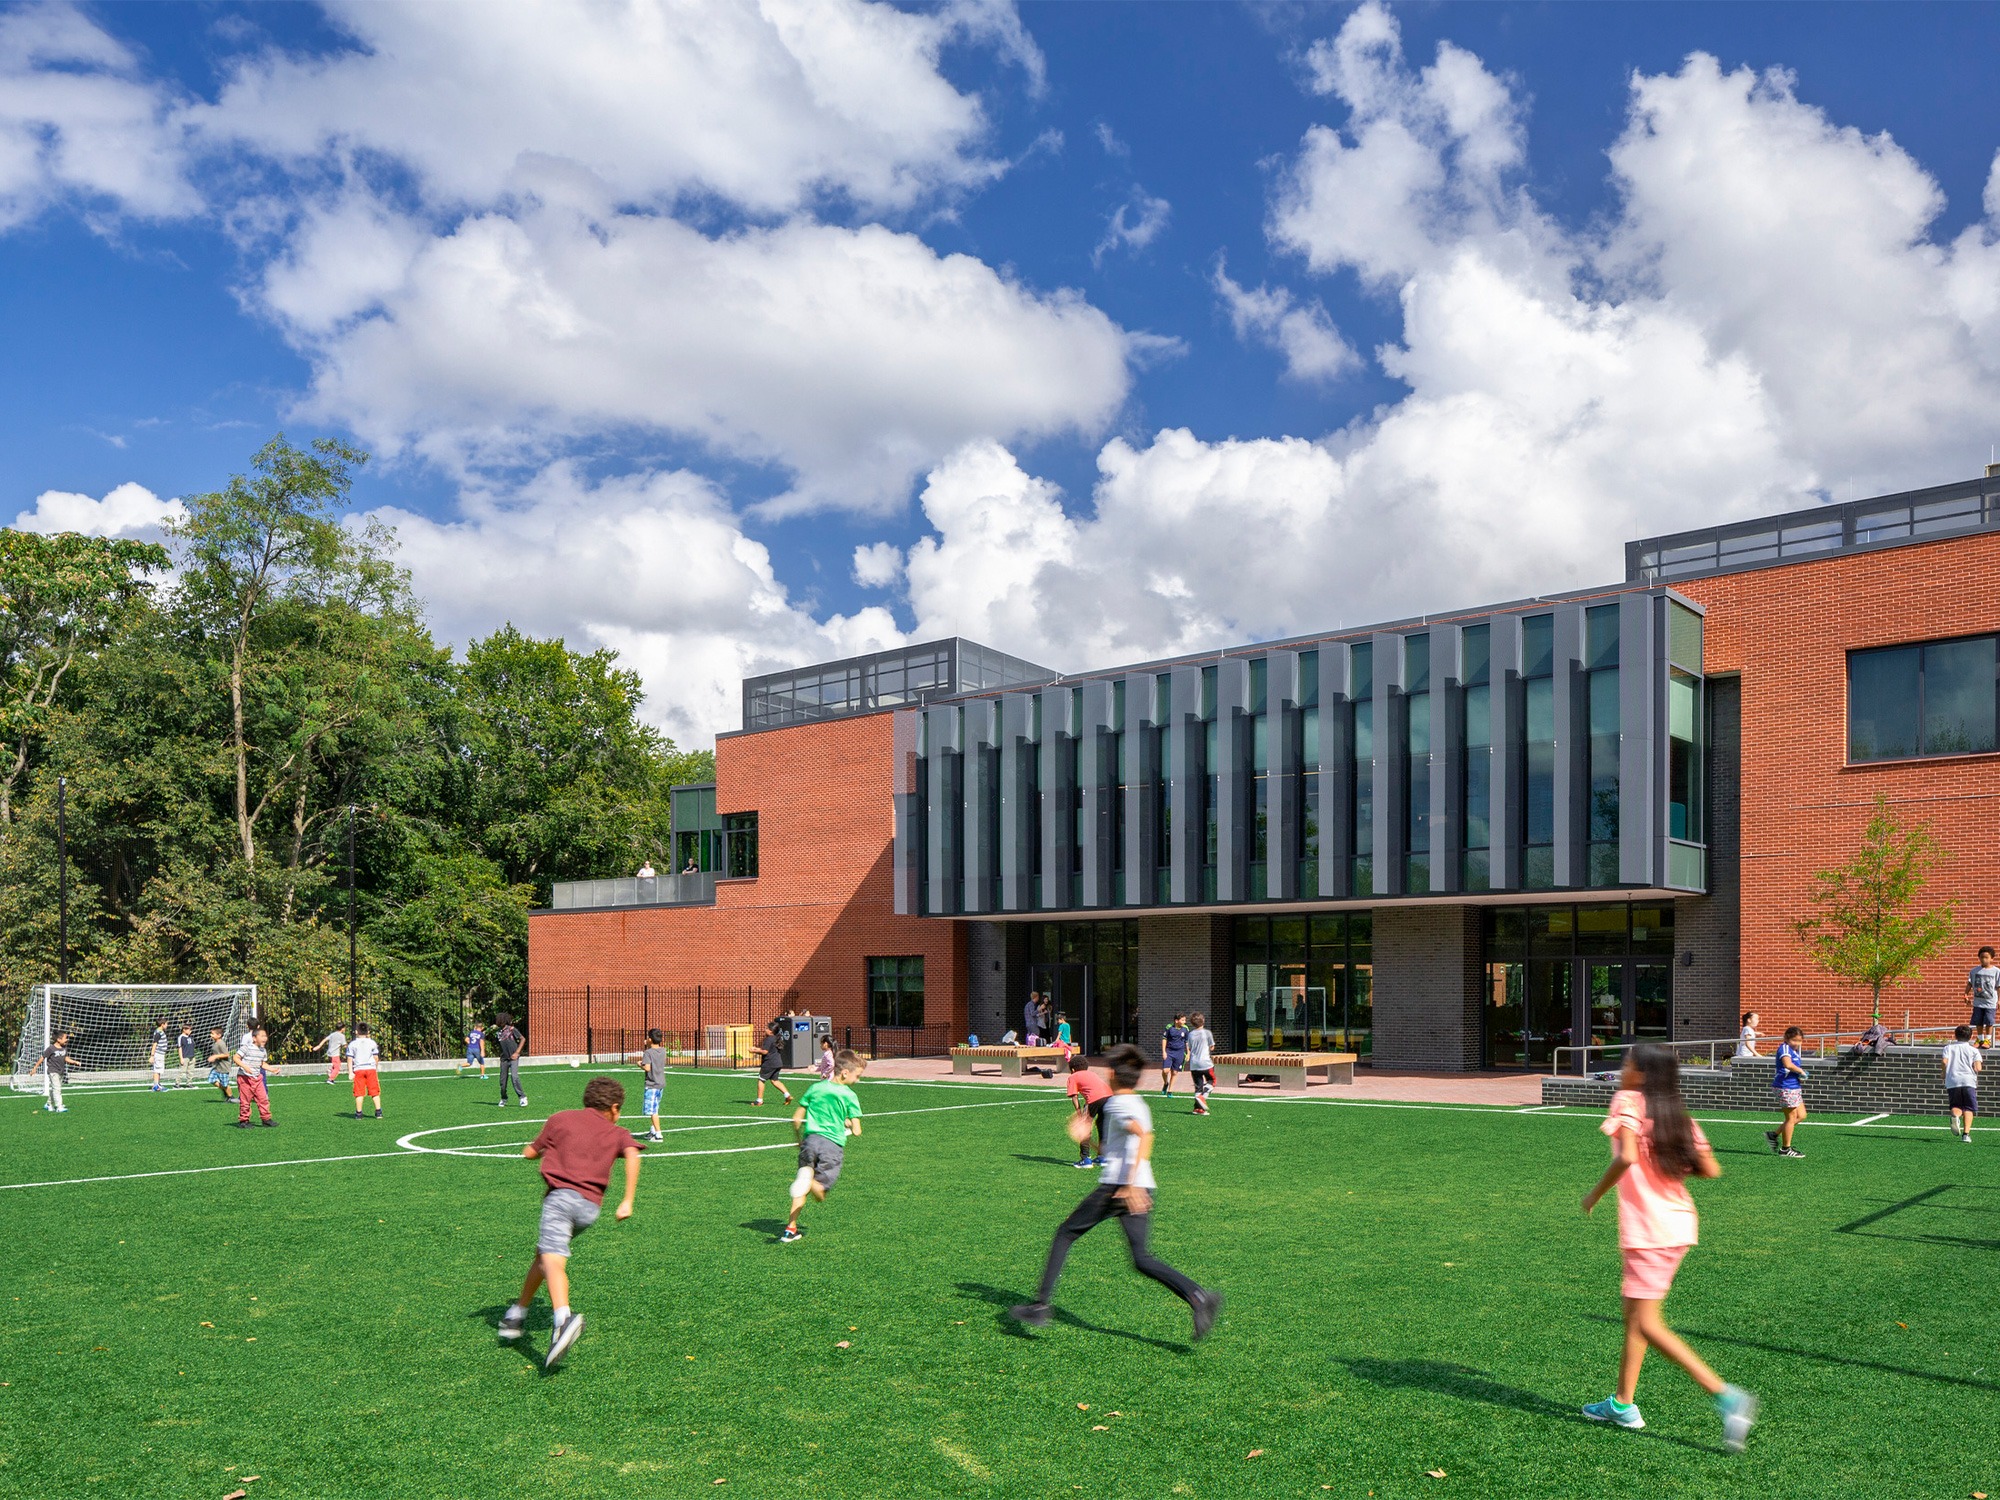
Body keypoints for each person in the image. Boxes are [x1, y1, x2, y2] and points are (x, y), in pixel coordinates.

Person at [1579, 1044, 1757, 1451]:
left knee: (1647, 1323)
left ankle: (1726, 1395)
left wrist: (1594, 1195)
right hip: (1677, 1225)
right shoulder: (1677, 1115)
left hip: (1650, 1232)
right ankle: (1623, 1403)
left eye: (1627, 1063)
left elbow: (1625, 1156)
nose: (1622, 1068)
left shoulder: (1626, 1099)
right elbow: (1710, 1169)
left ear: (1640, 1073)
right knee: (1634, 1315)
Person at [1009, 1044, 1222, 1339]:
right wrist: (1091, 1142)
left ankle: (1040, 1306)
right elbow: (1120, 1148)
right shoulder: (1137, 1103)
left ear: (1110, 1074)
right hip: (1140, 1186)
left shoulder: (1118, 1105)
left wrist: (1129, 1184)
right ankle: (1199, 1297)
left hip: (1120, 1187)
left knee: (1065, 1233)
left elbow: (1142, 1136)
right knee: (1142, 1259)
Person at [497, 1076, 643, 1369]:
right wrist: (627, 1200)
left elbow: (529, 1153)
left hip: (560, 1201)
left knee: (553, 1261)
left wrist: (534, 1150)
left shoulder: (560, 1119)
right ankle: (517, 1312)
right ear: (614, 1108)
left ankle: (563, 1319)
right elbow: (632, 1154)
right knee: (544, 1255)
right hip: (589, 1209)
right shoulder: (618, 1131)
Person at [780, 1049, 865, 1244]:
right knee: (820, 1193)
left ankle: (790, 1228)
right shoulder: (849, 1095)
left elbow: (796, 1119)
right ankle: (810, 1182)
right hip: (831, 1146)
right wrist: (850, 1123)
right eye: (857, 1076)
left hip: (809, 1142)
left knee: (801, 1186)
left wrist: (798, 1140)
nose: (858, 1080)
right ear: (845, 1073)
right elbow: (858, 1131)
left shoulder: (815, 1088)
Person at [1764, 1026, 1808, 1158]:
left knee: (1801, 1115)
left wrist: (1800, 1076)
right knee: (1791, 1118)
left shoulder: (1794, 1051)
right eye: (1794, 1040)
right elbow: (1787, 1064)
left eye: (1799, 1041)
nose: (1797, 1043)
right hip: (1785, 1087)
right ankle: (1785, 1149)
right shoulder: (1784, 1048)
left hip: (1793, 1087)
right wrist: (1800, 1071)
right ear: (1786, 1038)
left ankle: (1774, 1135)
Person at [1066, 1055, 1111, 1168]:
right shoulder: (1092, 1073)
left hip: (1094, 1099)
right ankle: (1102, 1157)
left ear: (1072, 1069)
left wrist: (1078, 1112)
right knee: (1102, 1126)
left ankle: (1085, 1159)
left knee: (1084, 1128)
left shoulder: (1073, 1076)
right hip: (1109, 1097)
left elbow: (1074, 1097)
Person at [1943, 1024, 1983, 1143]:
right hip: (1968, 1081)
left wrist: (1943, 1073)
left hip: (1953, 1080)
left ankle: (1955, 1117)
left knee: (1955, 1105)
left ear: (1955, 1036)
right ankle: (1966, 1135)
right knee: (1968, 1108)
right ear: (1970, 1037)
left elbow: (1944, 1062)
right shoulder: (1974, 1050)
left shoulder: (1948, 1048)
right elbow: (1978, 1068)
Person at [233, 1026, 274, 1128]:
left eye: (266, 1036)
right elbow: (236, 1057)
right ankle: (244, 1121)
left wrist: (272, 1069)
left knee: (263, 1099)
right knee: (245, 1101)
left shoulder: (263, 1051)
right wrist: (245, 1066)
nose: (265, 1038)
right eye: (262, 1036)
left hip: (257, 1078)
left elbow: (262, 1064)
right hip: (245, 1078)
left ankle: (266, 1119)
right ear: (254, 1038)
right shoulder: (246, 1048)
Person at [631, 1027, 667, 1142]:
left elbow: (647, 1067)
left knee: (652, 1111)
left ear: (650, 1039)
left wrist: (639, 1064)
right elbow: (653, 1054)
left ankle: (658, 1134)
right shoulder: (663, 1050)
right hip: (660, 1083)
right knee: (655, 1107)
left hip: (651, 1085)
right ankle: (652, 1130)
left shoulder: (647, 1052)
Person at [27, 1029, 71, 1113]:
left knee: (55, 1088)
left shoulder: (64, 1048)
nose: (67, 1039)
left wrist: (74, 1062)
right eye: (65, 1038)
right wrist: (35, 1068)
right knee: (57, 1089)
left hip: (61, 1071)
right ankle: (59, 1106)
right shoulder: (51, 1048)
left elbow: (65, 1058)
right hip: (53, 1071)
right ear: (59, 1039)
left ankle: (48, 1104)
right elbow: (42, 1057)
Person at [754, 1018, 794, 1108]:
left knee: (761, 1079)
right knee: (775, 1080)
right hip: (778, 1062)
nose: (765, 1030)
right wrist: (756, 1049)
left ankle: (759, 1100)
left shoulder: (769, 1039)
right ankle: (787, 1095)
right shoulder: (776, 1038)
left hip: (769, 1063)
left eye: (767, 1028)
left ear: (771, 1031)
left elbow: (765, 1051)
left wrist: (754, 1051)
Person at [1966, 947, 2000, 1050]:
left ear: (1991, 958)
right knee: (1978, 1021)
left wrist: (1999, 1000)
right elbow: (1970, 984)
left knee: (1989, 1021)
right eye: (1981, 957)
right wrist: (1965, 994)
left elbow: (1998, 987)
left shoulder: (1996, 971)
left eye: (1986, 957)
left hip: (1990, 1002)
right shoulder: (1974, 971)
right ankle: (1980, 1039)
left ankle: (1987, 1040)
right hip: (1978, 1002)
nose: (1984, 960)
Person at [348, 1023, 383, 1120]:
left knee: (359, 1092)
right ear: (368, 1032)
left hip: (358, 1070)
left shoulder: (352, 1044)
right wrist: (374, 1068)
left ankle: (359, 1113)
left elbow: (350, 1058)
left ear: (356, 1032)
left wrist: (350, 1072)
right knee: (374, 1091)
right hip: (370, 1069)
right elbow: (376, 1057)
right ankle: (378, 1112)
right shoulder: (372, 1043)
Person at [495, 1011, 528, 1108]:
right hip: (504, 1059)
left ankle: (522, 1097)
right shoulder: (498, 1032)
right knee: (502, 1082)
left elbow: (523, 1039)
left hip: (513, 1058)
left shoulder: (512, 1029)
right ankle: (504, 1098)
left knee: (514, 1077)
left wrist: (517, 1052)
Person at [1187, 1013, 1217, 1116]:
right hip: (1205, 1063)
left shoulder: (1190, 1034)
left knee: (1198, 1086)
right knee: (1212, 1080)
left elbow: (1190, 1048)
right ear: (1203, 1021)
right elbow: (1212, 1047)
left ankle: (1197, 1109)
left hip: (1194, 1064)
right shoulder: (1207, 1033)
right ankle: (1203, 1097)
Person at [1160, 1013, 1190, 1095]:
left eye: (1185, 1020)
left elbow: (1187, 1042)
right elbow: (1164, 1039)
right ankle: (1166, 1083)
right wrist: (1164, 1051)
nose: (1185, 1022)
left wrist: (1188, 1053)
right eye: (1183, 1020)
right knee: (1165, 1071)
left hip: (1179, 1052)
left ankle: (1170, 1090)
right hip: (1169, 1051)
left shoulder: (1185, 1029)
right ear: (1176, 1021)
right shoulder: (1169, 1027)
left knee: (1174, 1072)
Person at [206, 1027, 234, 1100]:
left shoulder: (221, 1043)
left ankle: (231, 1097)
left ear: (219, 1035)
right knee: (211, 1079)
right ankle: (226, 1091)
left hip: (223, 1067)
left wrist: (215, 1056)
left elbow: (226, 1054)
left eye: (212, 1034)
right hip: (217, 1067)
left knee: (225, 1084)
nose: (211, 1035)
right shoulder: (215, 1043)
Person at [176, 1024, 199, 1088]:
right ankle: (177, 1083)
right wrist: (181, 1058)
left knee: (190, 1071)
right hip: (185, 1057)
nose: (190, 1031)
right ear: (184, 1030)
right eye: (189, 1030)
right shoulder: (181, 1037)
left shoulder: (190, 1037)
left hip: (191, 1056)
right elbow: (179, 1048)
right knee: (182, 1070)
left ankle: (189, 1083)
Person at [149, 1019, 168, 1092]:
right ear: (162, 1024)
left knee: (159, 1069)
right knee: (157, 1070)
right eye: (166, 1024)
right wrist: (152, 1055)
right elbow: (155, 1044)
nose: (167, 1025)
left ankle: (158, 1084)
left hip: (161, 1053)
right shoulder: (158, 1032)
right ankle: (155, 1085)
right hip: (158, 1054)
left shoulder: (161, 1032)